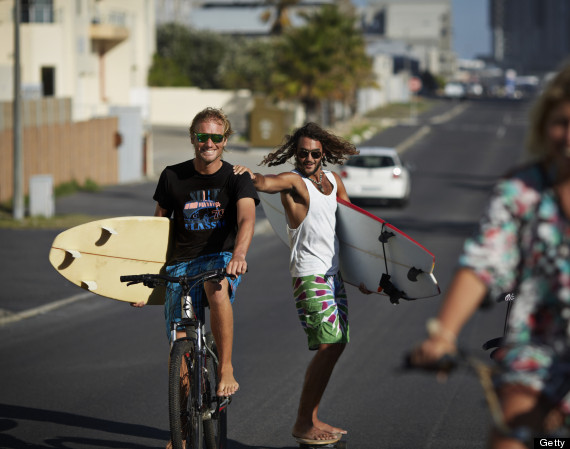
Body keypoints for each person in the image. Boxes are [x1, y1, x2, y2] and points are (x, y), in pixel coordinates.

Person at [410, 63, 570, 449]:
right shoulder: (521, 191)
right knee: (510, 429)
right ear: (544, 125)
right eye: (561, 122)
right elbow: (483, 262)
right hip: (540, 346)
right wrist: (444, 334)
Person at [234, 122, 369, 445]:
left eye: (313, 153)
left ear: (324, 154)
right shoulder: (294, 182)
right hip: (309, 276)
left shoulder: (334, 182)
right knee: (328, 345)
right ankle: (301, 423)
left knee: (337, 346)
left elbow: (353, 229)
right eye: (302, 153)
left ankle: (311, 416)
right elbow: (268, 182)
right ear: (295, 153)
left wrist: (366, 273)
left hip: (333, 276)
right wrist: (250, 177)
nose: (307, 158)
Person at [134, 107, 258, 400]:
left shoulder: (236, 177)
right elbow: (158, 226)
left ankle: (226, 366)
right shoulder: (172, 176)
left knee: (216, 287)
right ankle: (182, 432)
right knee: (178, 349)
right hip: (180, 265)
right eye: (203, 136)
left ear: (225, 139)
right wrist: (144, 279)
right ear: (193, 138)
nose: (209, 143)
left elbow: (247, 219)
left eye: (217, 137)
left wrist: (239, 254)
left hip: (221, 260)